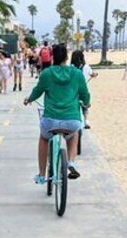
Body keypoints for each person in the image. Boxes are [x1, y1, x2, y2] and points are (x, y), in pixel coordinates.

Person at [24, 44, 90, 182]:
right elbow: (85, 93)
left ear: (52, 56)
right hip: (71, 120)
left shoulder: (47, 73)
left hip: (51, 120)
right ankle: (71, 161)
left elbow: (38, 91)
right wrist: (86, 102)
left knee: (44, 138)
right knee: (74, 134)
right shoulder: (76, 73)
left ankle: (42, 175)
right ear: (66, 57)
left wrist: (29, 99)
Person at [70, 50, 98, 129]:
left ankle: (75, 120)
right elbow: (92, 74)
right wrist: (94, 75)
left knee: (74, 106)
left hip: (73, 90)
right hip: (84, 90)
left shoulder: (71, 67)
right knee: (85, 106)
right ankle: (86, 121)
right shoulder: (86, 67)